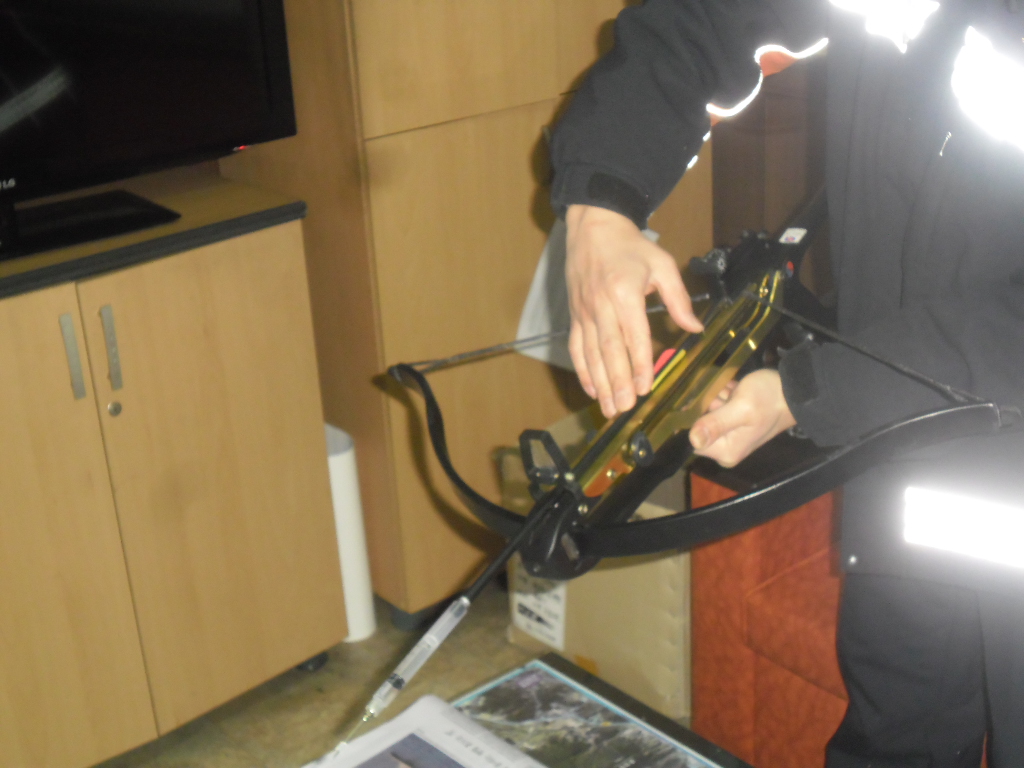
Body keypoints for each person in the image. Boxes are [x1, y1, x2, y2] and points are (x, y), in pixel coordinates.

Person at [548, 1, 1024, 765]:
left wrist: (809, 391)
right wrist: (602, 203)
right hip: (905, 470)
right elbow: (701, 21)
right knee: (893, 736)